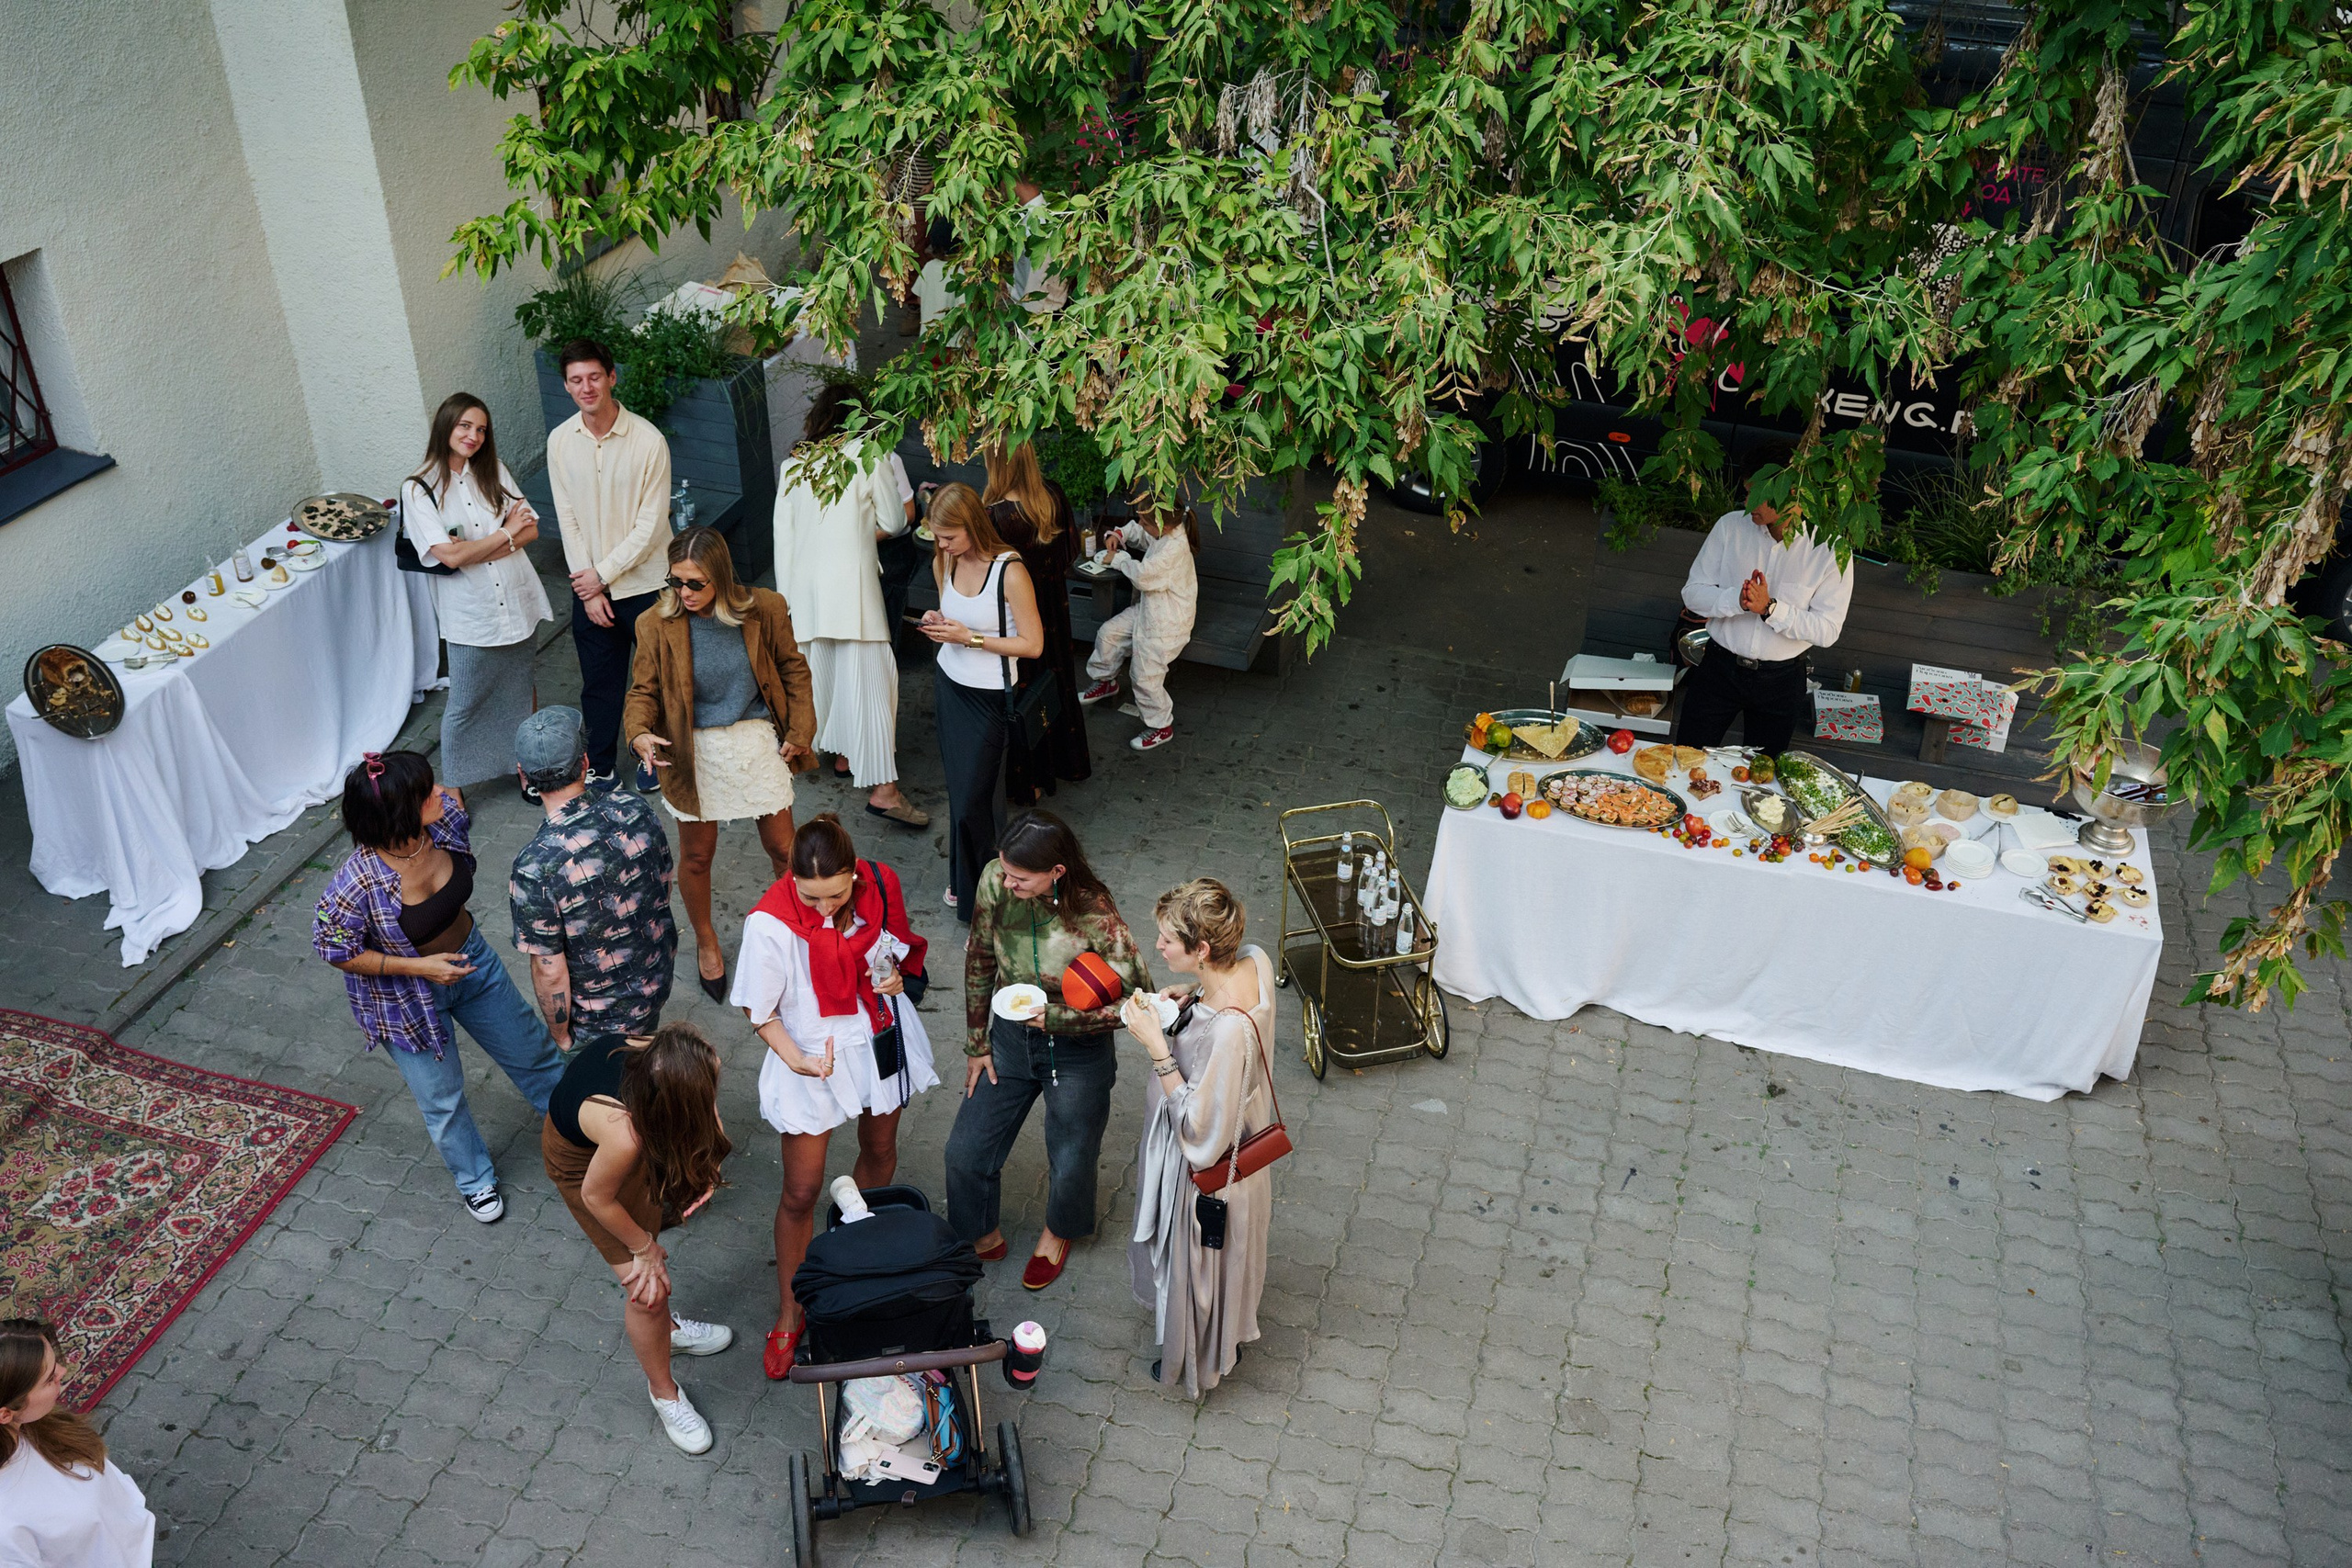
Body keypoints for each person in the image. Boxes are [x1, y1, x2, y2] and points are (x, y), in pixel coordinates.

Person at [313, 751, 564, 1224]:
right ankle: (475, 1180)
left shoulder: (445, 823)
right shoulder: (354, 884)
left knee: (534, 1053)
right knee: (442, 1099)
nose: (441, 793)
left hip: (474, 965)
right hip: (405, 1001)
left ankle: (578, 1128)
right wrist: (420, 968)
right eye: (426, 792)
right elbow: (334, 948)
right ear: (398, 812)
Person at [731, 814, 936, 1378]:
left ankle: (850, 1260)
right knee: (800, 1189)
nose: (824, 908)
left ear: (854, 874)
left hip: (877, 1037)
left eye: (837, 894)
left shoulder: (881, 882)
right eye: (810, 895)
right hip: (809, 1055)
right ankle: (791, 1311)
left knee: (880, 1150)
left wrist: (896, 979)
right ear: (791, 879)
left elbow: (900, 955)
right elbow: (760, 1010)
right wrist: (793, 1058)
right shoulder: (769, 924)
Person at [945, 810, 1151, 1291]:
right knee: (964, 1150)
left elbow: (1141, 999)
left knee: (1074, 1154)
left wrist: (1059, 1019)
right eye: (1004, 869)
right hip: (1010, 1040)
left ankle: (1059, 1232)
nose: (1007, 882)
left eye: (1021, 877)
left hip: (1079, 1051)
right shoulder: (997, 879)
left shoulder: (1095, 913)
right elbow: (978, 954)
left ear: (1057, 872)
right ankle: (979, 1232)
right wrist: (977, 1042)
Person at [623, 528, 818, 998]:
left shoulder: (765, 608)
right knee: (697, 855)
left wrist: (800, 731)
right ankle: (706, 941)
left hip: (753, 737)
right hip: (692, 749)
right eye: (676, 582)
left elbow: (794, 670)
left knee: (783, 848)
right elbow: (643, 691)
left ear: (722, 579)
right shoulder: (654, 622)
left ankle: (799, 930)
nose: (684, 593)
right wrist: (640, 734)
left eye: (695, 584)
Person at [540, 1025, 736, 1455]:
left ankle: (670, 1332)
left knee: (652, 1270)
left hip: (624, 1143)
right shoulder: (624, 1133)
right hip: (584, 1172)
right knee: (649, 1290)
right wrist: (644, 1250)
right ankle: (664, 1393)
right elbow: (596, 1197)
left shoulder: (664, 1050)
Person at [1120, 879, 1277, 1397]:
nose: (1158, 947)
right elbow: (1223, 1005)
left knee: (1198, 1274)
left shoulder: (1228, 1031)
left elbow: (1197, 1129)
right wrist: (1193, 996)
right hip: (1249, 1144)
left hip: (1209, 1173)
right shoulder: (1254, 960)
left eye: (1168, 940)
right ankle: (1226, 1336)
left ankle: (1199, 1364)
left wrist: (1155, 1045)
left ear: (1202, 949)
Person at [771, 382, 927, 829]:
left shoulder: (794, 465)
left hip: (806, 599)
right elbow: (896, 521)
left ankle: (820, 761)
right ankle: (885, 792)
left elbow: (784, 539)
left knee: (820, 685)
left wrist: (787, 602)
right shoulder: (868, 455)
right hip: (855, 596)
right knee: (874, 691)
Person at [400, 393, 554, 787]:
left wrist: (482, 547)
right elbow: (448, 557)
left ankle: (527, 769)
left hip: (517, 597)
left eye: (481, 429)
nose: (474, 436)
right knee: (464, 703)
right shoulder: (419, 489)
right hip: (471, 610)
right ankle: (452, 788)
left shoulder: (494, 471)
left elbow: (532, 528)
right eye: (465, 426)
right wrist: (506, 533)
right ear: (446, 425)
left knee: (520, 688)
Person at [509, 706, 679, 1043]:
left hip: (598, 1025)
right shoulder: (635, 808)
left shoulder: (534, 866)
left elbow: (549, 970)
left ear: (524, 776)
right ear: (585, 763)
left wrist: (561, 1037)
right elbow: (663, 887)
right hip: (656, 984)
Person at [546, 337, 674, 781]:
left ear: (612, 377)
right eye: (576, 380)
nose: (587, 387)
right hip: (592, 589)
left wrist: (600, 575)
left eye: (594, 377)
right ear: (566, 386)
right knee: (599, 686)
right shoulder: (560, 442)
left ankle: (655, 761)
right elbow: (568, 518)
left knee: (657, 683)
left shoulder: (648, 441)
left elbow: (652, 524)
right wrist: (589, 588)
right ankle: (600, 769)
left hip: (646, 586)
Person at [1673, 445, 1856, 755]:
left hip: (1781, 680)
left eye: (1755, 495)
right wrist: (1739, 601)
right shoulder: (1730, 527)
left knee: (1764, 776)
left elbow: (1827, 630)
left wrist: (1771, 609)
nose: (1746, 504)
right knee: (1686, 758)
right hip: (1719, 667)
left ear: (1790, 491)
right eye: (1745, 494)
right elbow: (1693, 593)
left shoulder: (1829, 549)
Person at [920, 485, 1046, 919]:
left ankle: (988, 892)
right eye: (937, 536)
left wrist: (967, 638)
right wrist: (939, 623)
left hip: (989, 698)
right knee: (961, 794)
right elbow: (950, 611)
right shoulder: (945, 560)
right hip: (950, 686)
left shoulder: (1009, 571)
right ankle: (966, 883)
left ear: (972, 525)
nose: (941, 544)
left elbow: (1032, 645)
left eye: (949, 536)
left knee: (976, 796)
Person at [982, 443, 1092, 799]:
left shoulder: (993, 516)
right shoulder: (1053, 496)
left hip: (1016, 614)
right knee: (1056, 680)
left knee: (1024, 692)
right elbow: (1069, 553)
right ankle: (1066, 762)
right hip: (1053, 607)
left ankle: (1032, 779)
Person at [0, 1321, 155, 1568]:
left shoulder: (35, 1423)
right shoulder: (5, 1527)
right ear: (5, 1414)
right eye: (50, 1378)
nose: (62, 1371)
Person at [1078, 499, 1201, 753]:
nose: (1141, 524)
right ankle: (1106, 681)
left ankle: (1160, 726)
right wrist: (1120, 533)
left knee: (1144, 676)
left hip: (1167, 622)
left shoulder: (1174, 549)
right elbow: (1141, 533)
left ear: (1162, 526)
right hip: (1150, 610)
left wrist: (1117, 560)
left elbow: (1144, 577)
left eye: (1145, 521)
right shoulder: (1164, 531)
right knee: (1108, 634)